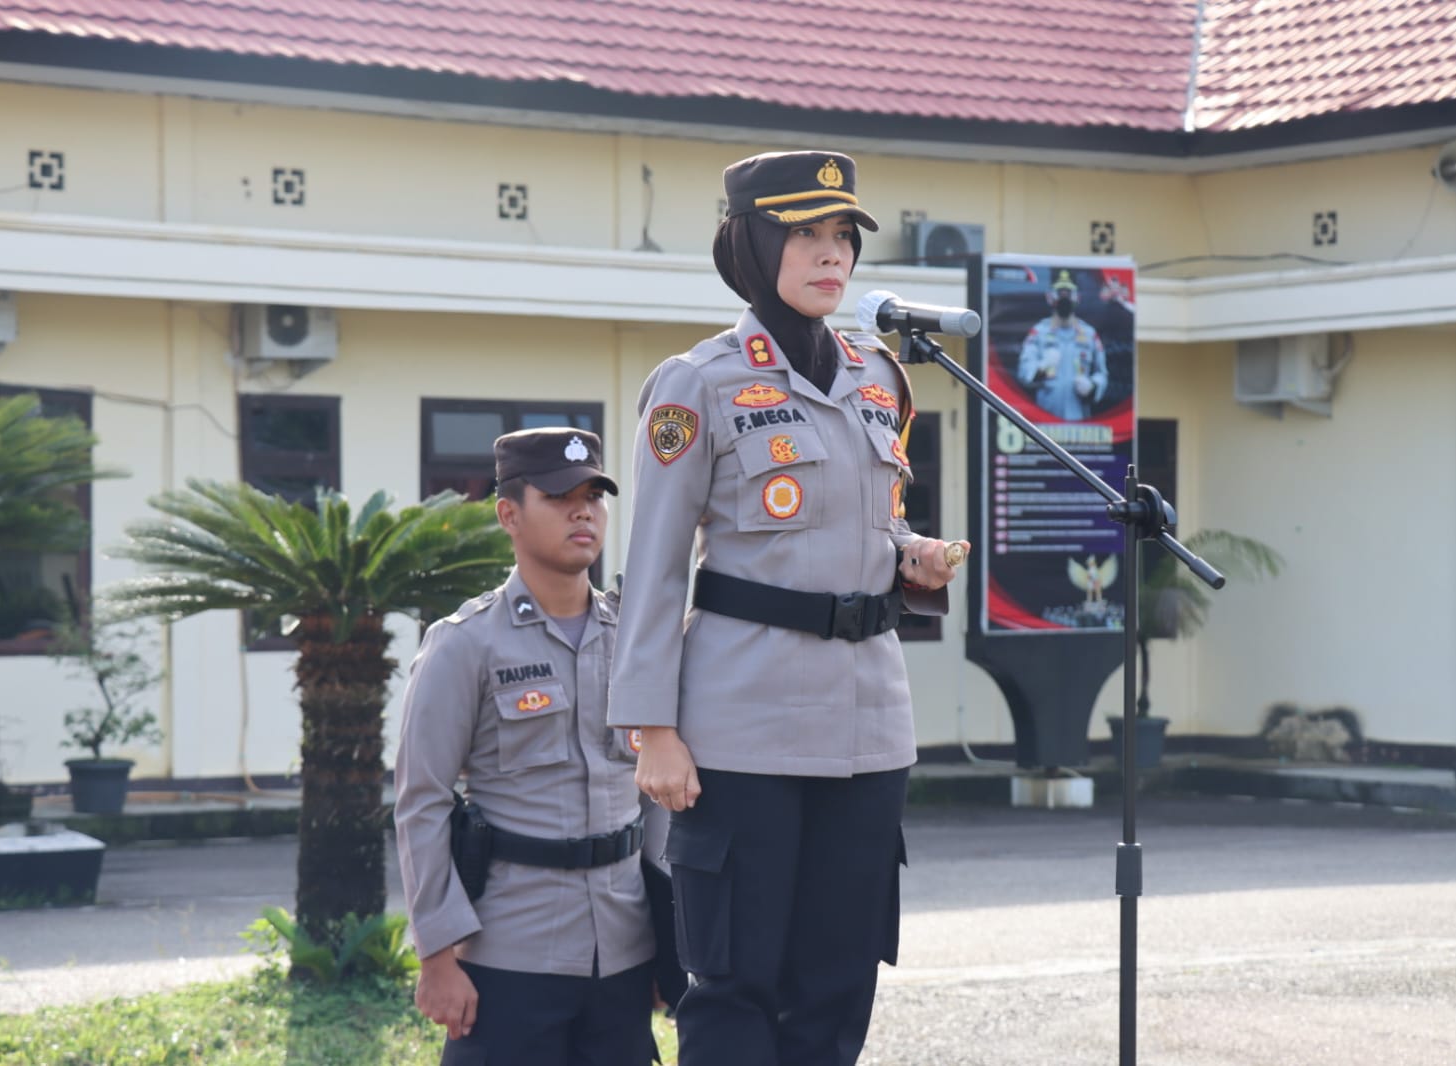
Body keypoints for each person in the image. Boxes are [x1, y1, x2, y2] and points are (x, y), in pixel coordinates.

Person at [607, 150, 968, 1066]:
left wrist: (912, 558)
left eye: (842, 235)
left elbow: (872, 527)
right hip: (743, 726)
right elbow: (650, 569)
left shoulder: (878, 378)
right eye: (804, 233)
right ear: (753, 243)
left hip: (868, 722)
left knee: (839, 981)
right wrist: (651, 728)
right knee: (732, 983)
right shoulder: (699, 383)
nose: (830, 254)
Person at [393, 426, 657, 1066]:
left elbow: (662, 791)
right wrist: (436, 957)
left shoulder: (635, 639)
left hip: (624, 946)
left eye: (594, 496)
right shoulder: (465, 645)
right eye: (561, 496)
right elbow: (421, 803)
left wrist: (673, 938)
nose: (583, 511)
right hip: (510, 953)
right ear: (509, 513)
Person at [1016, 269, 1108, 421]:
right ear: (1049, 296)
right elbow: (1024, 371)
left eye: (1068, 292)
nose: (1064, 297)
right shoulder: (1038, 333)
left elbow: (1102, 373)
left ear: (1077, 297)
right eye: (1059, 292)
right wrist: (1040, 369)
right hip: (1044, 423)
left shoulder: (1090, 334)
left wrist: (1093, 386)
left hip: (1079, 424)